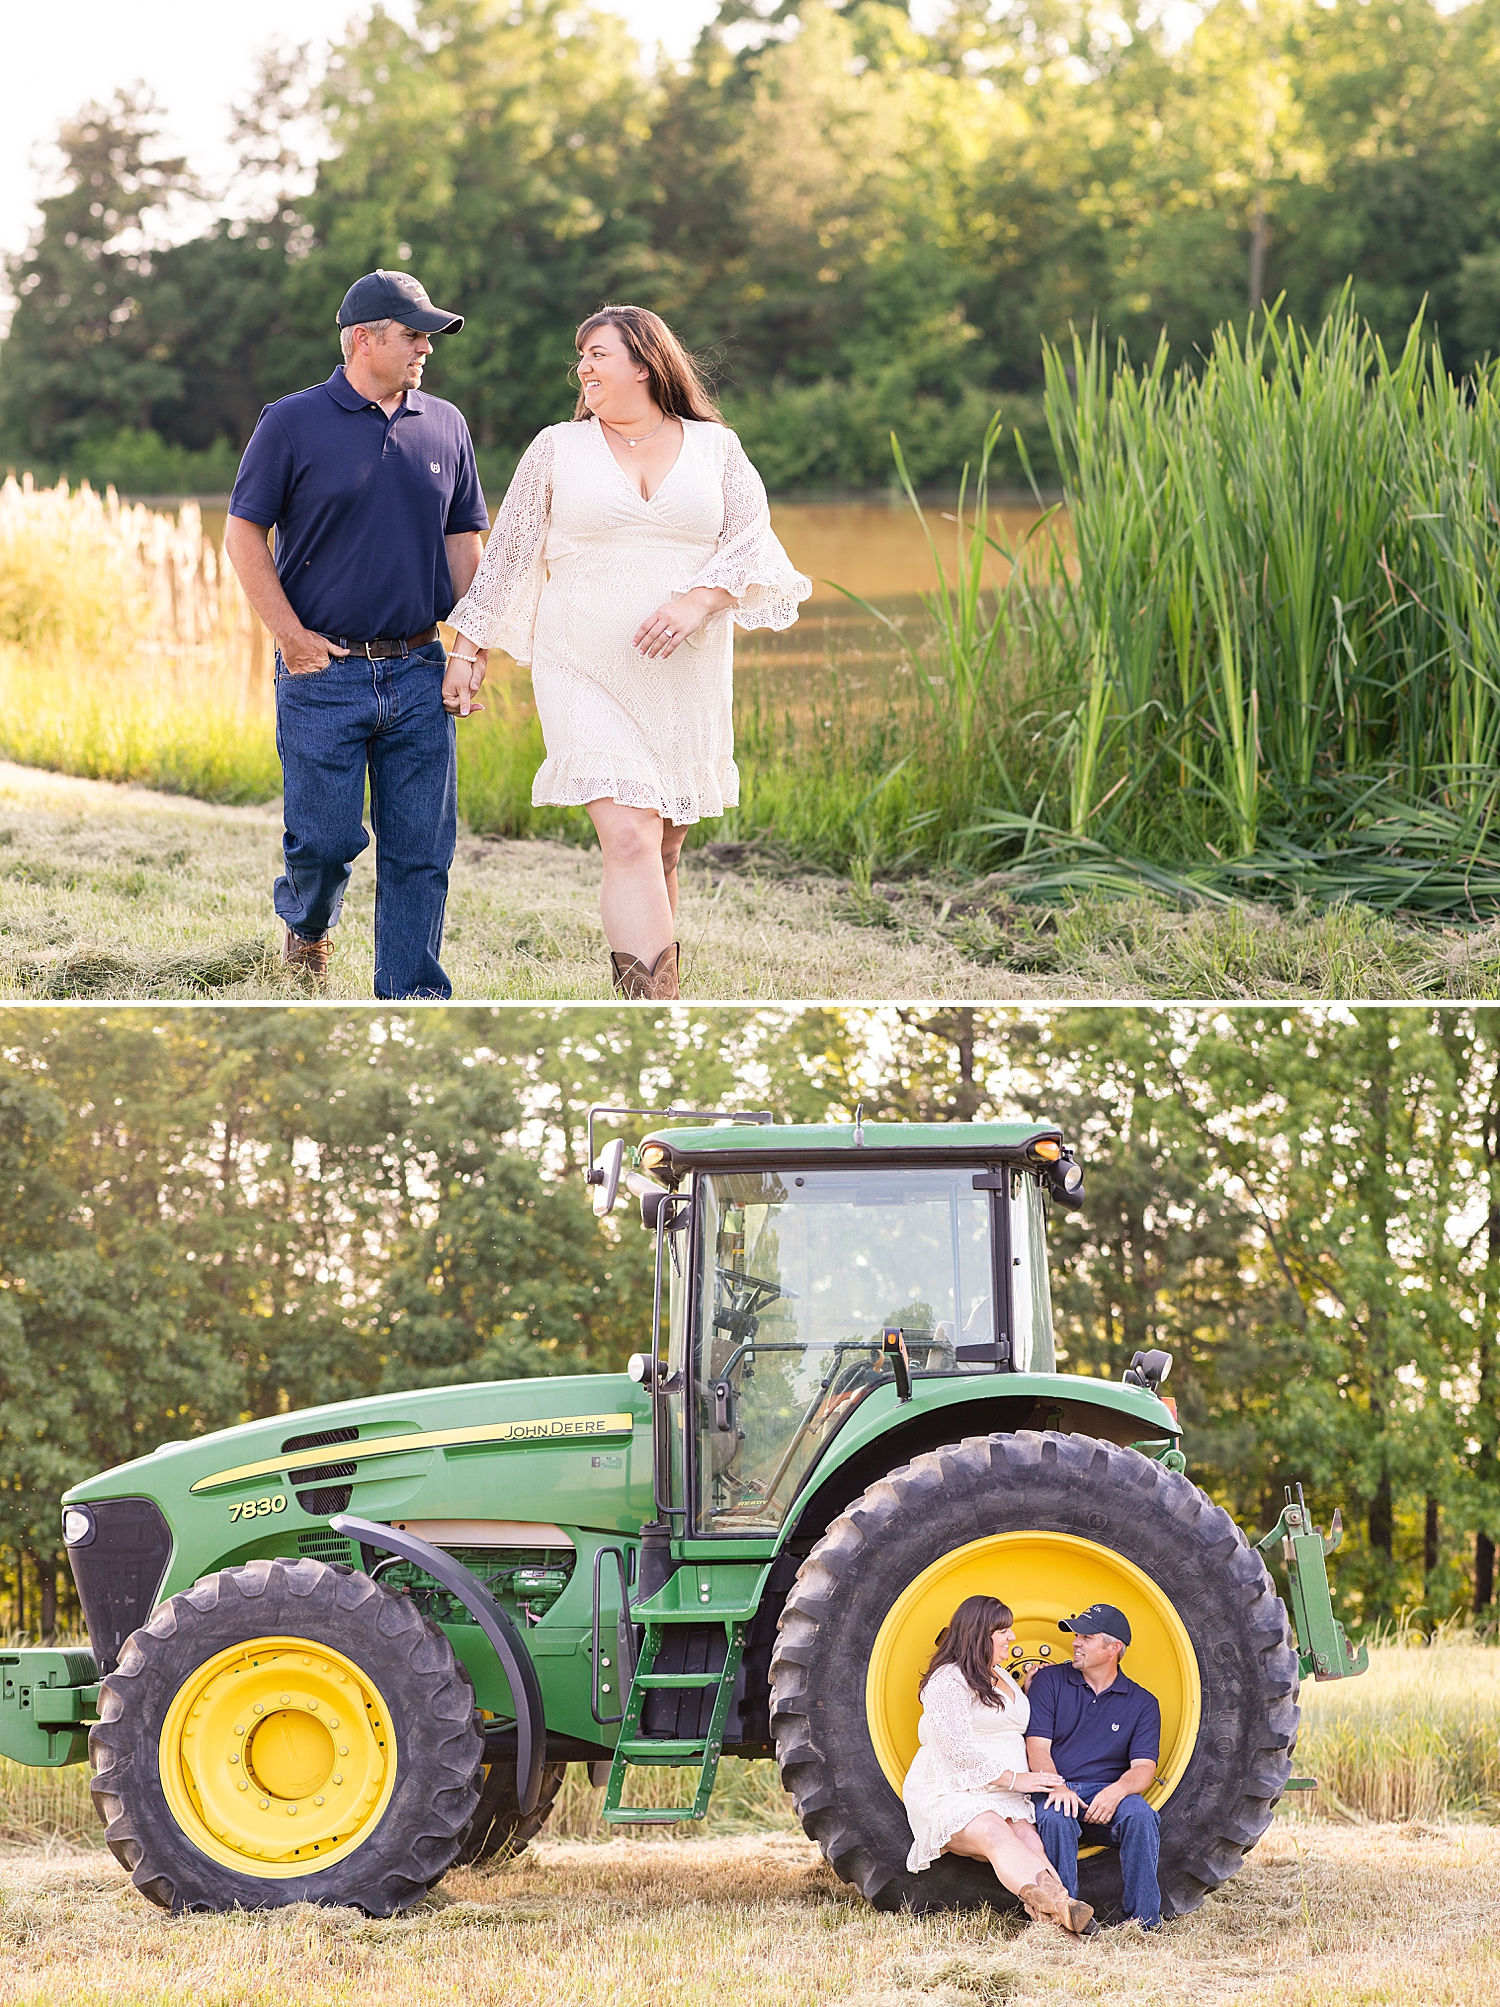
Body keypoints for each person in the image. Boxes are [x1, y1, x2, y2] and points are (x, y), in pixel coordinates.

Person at [444, 304, 811, 999]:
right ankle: (654, 1004)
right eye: (580, 355)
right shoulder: (556, 447)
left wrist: (697, 601)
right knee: (631, 835)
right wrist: (468, 651)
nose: (582, 366)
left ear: (644, 362)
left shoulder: (716, 448)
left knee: (665, 842)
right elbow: (509, 557)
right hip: (580, 666)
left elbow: (750, 541)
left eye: (598, 354)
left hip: (685, 669)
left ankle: (651, 983)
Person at [224, 269, 491, 999]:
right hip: (322, 674)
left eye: (428, 336)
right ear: (362, 339)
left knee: (421, 852)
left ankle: (410, 996)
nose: (426, 348)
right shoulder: (291, 421)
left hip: (417, 668)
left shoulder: (446, 424)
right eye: (413, 334)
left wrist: (471, 649)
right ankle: (308, 927)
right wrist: (290, 636)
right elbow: (244, 533)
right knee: (326, 842)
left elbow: (465, 540)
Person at [901, 1594, 1095, 1934]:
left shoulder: (999, 1673)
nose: (1012, 1637)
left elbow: (997, 1719)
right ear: (979, 1633)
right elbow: (956, 1750)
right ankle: (1064, 1910)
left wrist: (1025, 1690)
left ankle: (1058, 1920)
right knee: (994, 1831)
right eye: (1003, 1630)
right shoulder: (947, 1680)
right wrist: (1014, 1780)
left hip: (1001, 1793)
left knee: (1029, 1839)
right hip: (952, 1790)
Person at [1024, 1601, 1163, 1931]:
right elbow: (1037, 1747)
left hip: (1108, 1794)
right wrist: (1057, 1786)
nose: (1075, 1642)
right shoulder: (1050, 1682)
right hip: (1060, 1786)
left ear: (1114, 1648)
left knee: (1141, 1816)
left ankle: (1144, 1924)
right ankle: (1063, 1921)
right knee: (1056, 1817)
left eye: (1086, 1637)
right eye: (1076, 1635)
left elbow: (1144, 1767)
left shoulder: (1143, 1703)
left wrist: (1116, 1793)